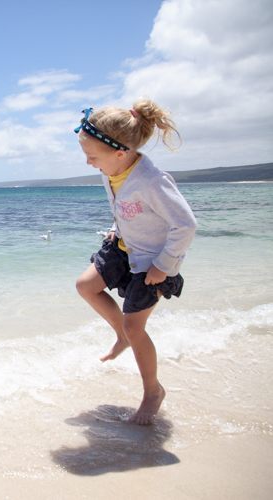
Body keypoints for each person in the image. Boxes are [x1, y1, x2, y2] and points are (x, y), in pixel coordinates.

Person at [74, 99, 197, 425]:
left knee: (135, 325)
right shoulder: (111, 170)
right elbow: (125, 208)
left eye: (92, 157)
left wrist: (164, 264)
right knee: (86, 286)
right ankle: (122, 336)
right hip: (125, 248)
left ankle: (152, 391)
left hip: (152, 264)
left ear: (120, 153)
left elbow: (185, 225)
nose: (88, 163)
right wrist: (117, 229)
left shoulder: (151, 181)